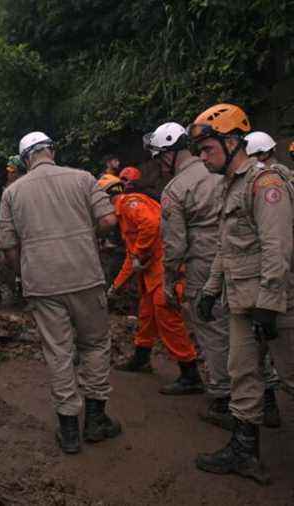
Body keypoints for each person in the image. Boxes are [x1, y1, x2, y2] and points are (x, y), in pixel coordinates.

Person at [143, 122, 280, 429]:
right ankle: (268, 398)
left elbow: (174, 244)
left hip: (205, 261)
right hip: (243, 257)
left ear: (168, 154)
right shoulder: (227, 174)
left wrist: (168, 281)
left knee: (213, 331)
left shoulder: (176, 189)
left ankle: (222, 398)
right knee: (248, 330)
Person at [0, 131, 121, 455]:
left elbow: (7, 246)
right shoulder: (82, 179)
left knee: (58, 351)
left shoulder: (12, 193)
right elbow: (108, 219)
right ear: (51, 150)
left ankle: (68, 430)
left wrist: (24, 270)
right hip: (85, 277)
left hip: (42, 283)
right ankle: (95, 420)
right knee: (94, 344)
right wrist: (84, 236)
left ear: (25, 160)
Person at [190, 103, 294, 484]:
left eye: (207, 149)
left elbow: (277, 247)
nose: (202, 158)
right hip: (241, 302)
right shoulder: (228, 187)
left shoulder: (265, 185)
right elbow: (226, 246)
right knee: (242, 375)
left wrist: (268, 304)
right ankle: (244, 451)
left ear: (233, 141)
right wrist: (210, 290)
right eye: (200, 151)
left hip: (277, 303)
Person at [100, 175, 204, 394]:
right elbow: (132, 256)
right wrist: (115, 286)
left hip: (164, 270)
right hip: (151, 274)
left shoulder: (130, 204)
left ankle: (190, 373)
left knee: (167, 318)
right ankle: (141, 358)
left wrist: (140, 253)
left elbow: (152, 225)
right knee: (146, 316)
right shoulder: (125, 213)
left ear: (106, 197)